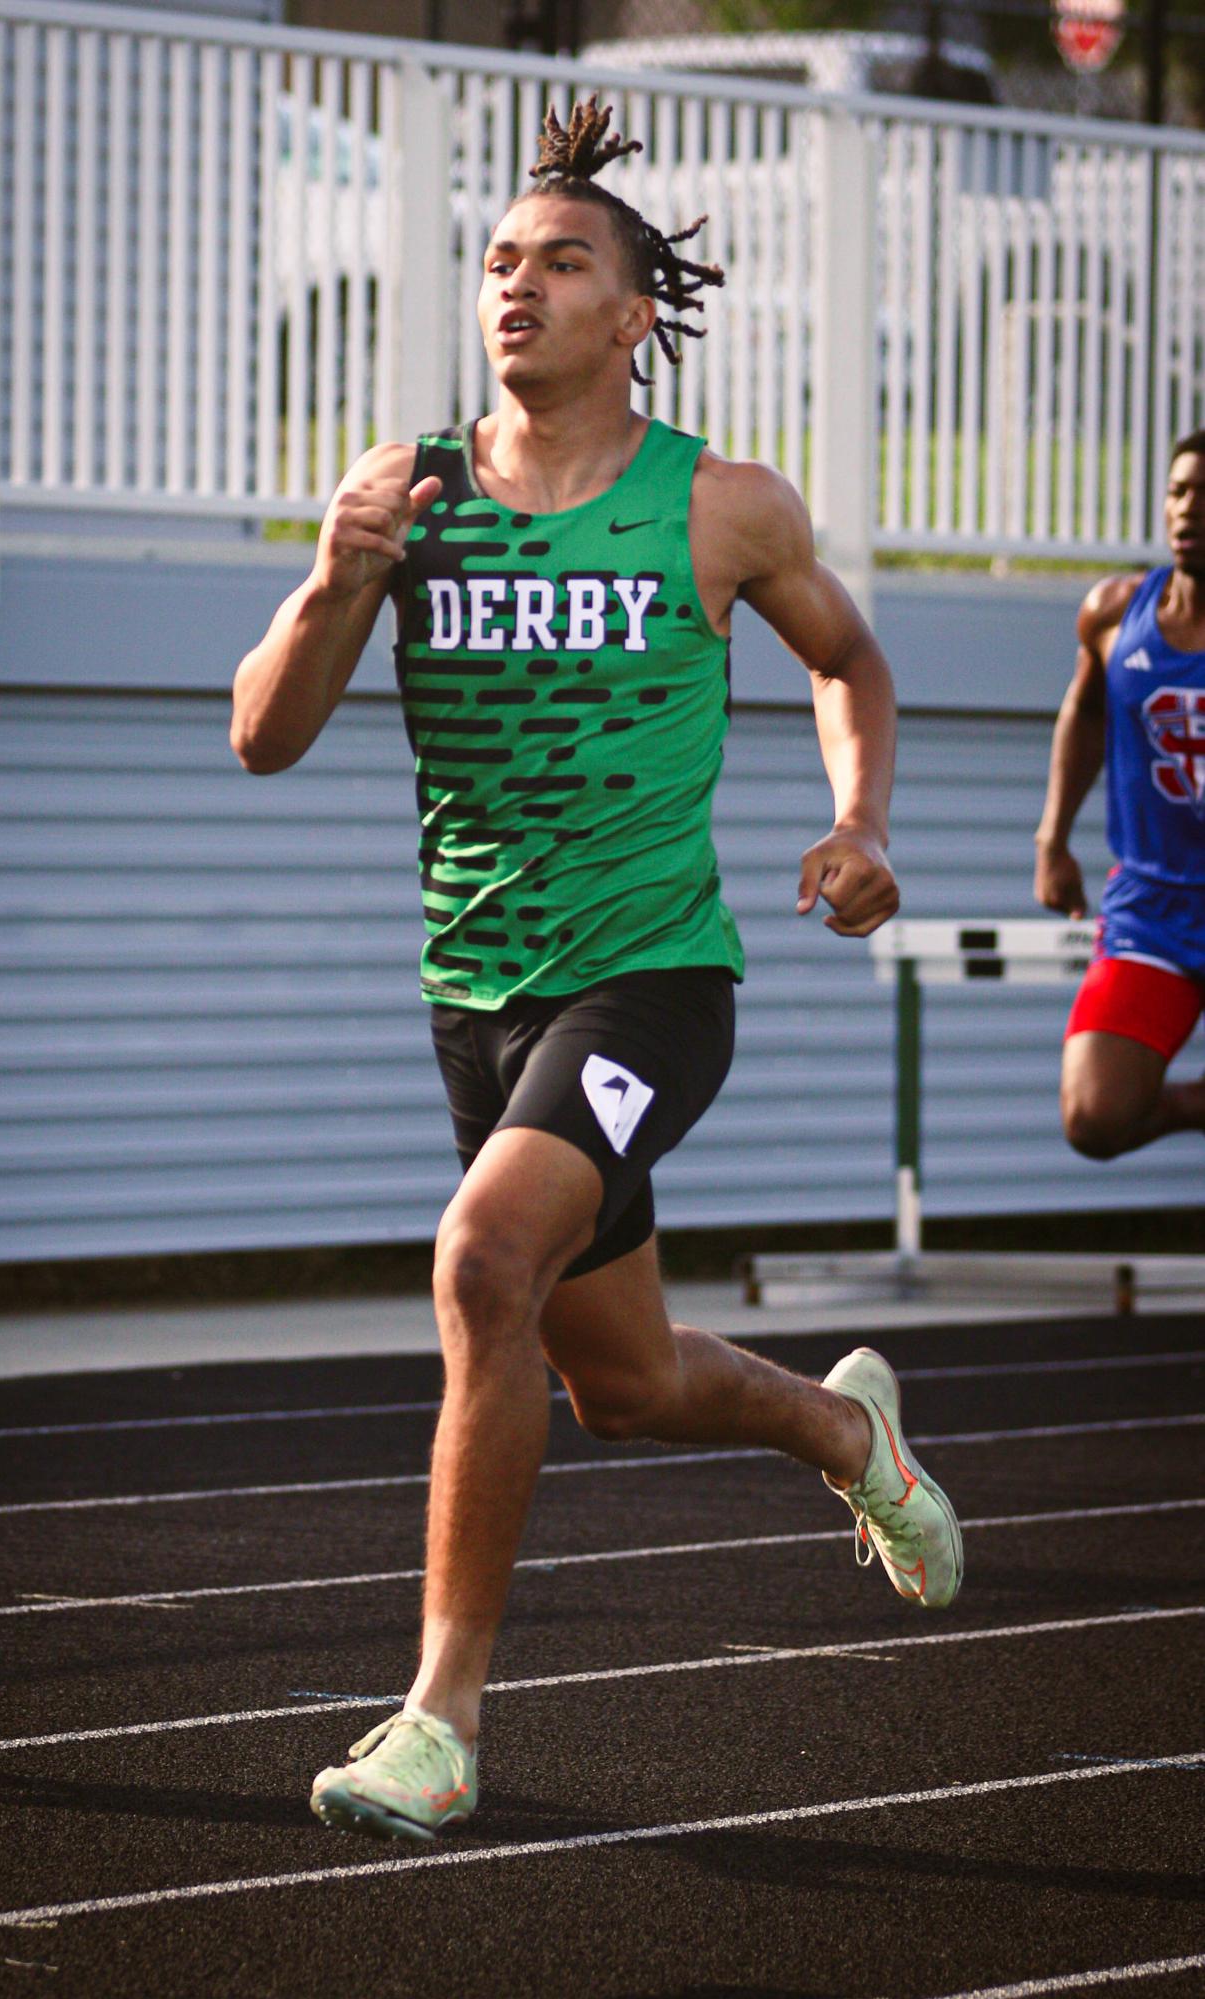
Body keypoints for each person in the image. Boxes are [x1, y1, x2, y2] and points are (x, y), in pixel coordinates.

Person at [232, 99, 962, 1844]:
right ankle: (845, 1435)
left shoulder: (714, 505)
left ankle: (438, 1718)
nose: (518, 284)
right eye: (497, 259)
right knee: (616, 1384)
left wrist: (857, 822)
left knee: (480, 1257)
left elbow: (849, 659)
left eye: (560, 261)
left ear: (633, 312)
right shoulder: (403, 495)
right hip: (473, 996)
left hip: (649, 979)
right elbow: (261, 736)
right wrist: (337, 580)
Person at [1034, 429, 1205, 1160]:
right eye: (1178, 491)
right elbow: (1088, 710)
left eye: (1204, 495)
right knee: (1094, 1115)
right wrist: (1053, 838)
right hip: (1154, 904)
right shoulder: (1114, 611)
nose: (1187, 509)